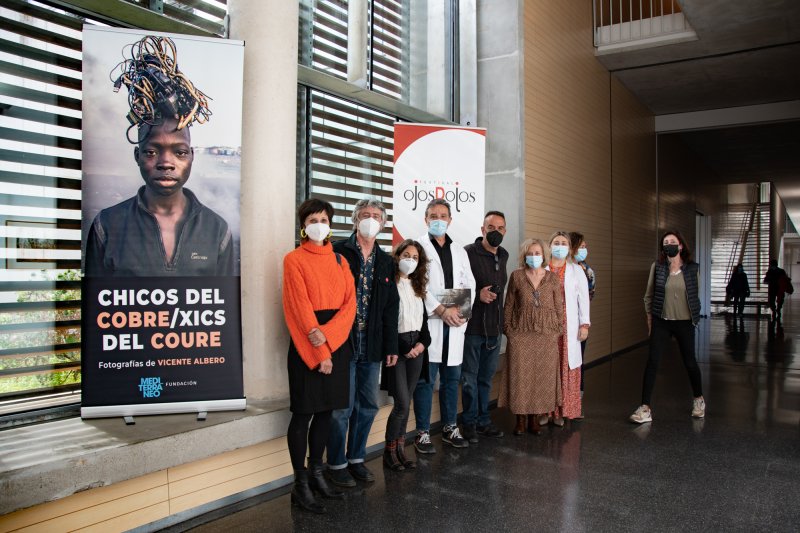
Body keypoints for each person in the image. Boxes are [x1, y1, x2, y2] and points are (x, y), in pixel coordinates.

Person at [86, 36, 233, 277]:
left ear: (192, 157)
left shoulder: (217, 230)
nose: (166, 163)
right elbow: (97, 307)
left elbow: (224, 307)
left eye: (180, 152)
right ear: (137, 155)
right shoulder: (107, 226)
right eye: (152, 152)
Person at [282, 198, 356, 513]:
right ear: (303, 225)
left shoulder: (340, 261)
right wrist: (320, 350)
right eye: (312, 219)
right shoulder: (293, 260)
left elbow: (349, 307)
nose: (318, 224)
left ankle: (318, 474)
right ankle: (300, 484)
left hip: (336, 344)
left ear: (330, 224)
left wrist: (329, 341)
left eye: (323, 219)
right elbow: (299, 310)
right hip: (306, 346)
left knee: (327, 412)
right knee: (304, 414)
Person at [326, 199, 399, 487]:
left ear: (382, 223)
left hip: (373, 344)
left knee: (367, 405)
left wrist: (391, 346)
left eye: (376, 216)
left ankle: (356, 458)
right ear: (356, 219)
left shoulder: (386, 261)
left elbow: (391, 308)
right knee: (341, 407)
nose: (371, 219)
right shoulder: (337, 252)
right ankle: (336, 463)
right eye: (365, 215)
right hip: (343, 343)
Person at [413, 199, 476, 453]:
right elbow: (418, 284)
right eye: (433, 215)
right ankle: (423, 433)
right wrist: (441, 309)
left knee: (452, 380)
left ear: (450, 219)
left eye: (443, 215)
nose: (438, 219)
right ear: (426, 219)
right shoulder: (418, 248)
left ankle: (450, 427)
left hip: (455, 324)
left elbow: (467, 283)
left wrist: (458, 313)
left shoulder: (460, 251)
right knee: (426, 381)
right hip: (431, 324)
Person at [630, 230, 705, 424]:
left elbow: (695, 297)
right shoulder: (658, 267)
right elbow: (648, 295)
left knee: (689, 362)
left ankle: (699, 400)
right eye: (665, 242)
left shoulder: (692, 269)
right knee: (652, 362)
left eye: (672, 241)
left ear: (680, 246)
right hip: (661, 321)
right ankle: (645, 408)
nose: (669, 244)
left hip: (685, 322)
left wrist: (694, 317)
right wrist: (650, 320)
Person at [500, 238, 563, 436]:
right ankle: (520, 419)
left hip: (546, 335)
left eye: (537, 253)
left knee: (542, 377)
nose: (534, 257)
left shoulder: (552, 278)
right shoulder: (517, 276)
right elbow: (509, 304)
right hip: (520, 334)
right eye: (530, 253)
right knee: (520, 376)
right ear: (524, 256)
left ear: (544, 256)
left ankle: (535, 418)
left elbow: (558, 305)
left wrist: (558, 329)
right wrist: (508, 330)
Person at [382, 240, 431, 471]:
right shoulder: (390, 284)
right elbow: (388, 321)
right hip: (398, 349)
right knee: (401, 403)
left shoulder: (418, 286)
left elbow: (424, 324)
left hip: (417, 349)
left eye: (415, 257)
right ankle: (389, 452)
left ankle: (401, 450)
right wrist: (403, 347)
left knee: (407, 401)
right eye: (407, 255)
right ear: (397, 256)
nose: (410, 260)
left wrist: (422, 345)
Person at [461, 211, 509, 442]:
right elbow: (452, 291)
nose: (495, 232)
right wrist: (477, 296)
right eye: (491, 227)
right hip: (472, 330)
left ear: (505, 231)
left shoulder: (505, 255)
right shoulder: (467, 253)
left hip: (494, 330)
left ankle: (483, 421)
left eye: (500, 228)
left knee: (485, 380)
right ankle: (468, 423)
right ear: (482, 229)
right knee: (469, 379)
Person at [542, 231, 590, 426]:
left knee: (564, 369)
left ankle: (561, 412)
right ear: (550, 245)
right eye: (556, 242)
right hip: (546, 326)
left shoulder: (576, 270)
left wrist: (584, 324)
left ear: (569, 248)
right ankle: (544, 411)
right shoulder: (542, 269)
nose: (559, 246)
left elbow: (583, 299)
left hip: (568, 327)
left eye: (563, 243)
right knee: (546, 369)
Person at [569, 231, 594, 418]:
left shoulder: (586, 271)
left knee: (578, 361)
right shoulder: (560, 268)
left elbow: (588, 297)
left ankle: (576, 402)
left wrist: (584, 322)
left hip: (578, 324)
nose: (584, 250)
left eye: (585, 247)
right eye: (581, 247)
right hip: (563, 323)